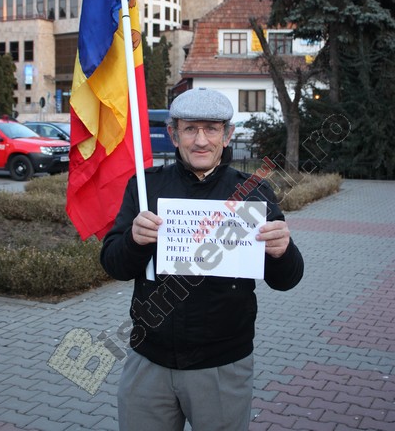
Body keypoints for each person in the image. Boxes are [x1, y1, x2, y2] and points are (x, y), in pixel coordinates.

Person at [100, 88, 304, 431]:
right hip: (149, 359)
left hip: (222, 366)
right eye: (190, 129)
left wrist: (283, 251)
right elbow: (113, 264)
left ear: (227, 136)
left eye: (211, 129)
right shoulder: (146, 188)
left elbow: (287, 279)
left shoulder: (253, 194)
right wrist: (134, 241)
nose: (200, 140)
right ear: (173, 134)